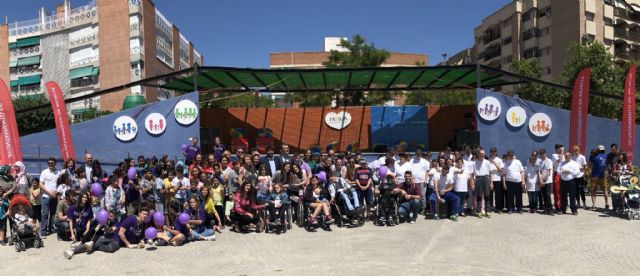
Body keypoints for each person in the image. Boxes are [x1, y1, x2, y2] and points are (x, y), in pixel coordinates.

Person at [39, 157, 62, 236]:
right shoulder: (44, 172)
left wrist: (57, 191)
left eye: (52, 163)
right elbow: (40, 184)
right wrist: (49, 193)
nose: (50, 164)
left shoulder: (58, 172)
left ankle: (51, 228)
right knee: (44, 214)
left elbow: (60, 184)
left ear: (55, 163)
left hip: (54, 196)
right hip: (45, 196)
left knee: (53, 214)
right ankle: (43, 231)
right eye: (49, 163)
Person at [589, 145, 609, 210]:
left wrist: (591, 155)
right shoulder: (606, 157)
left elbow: (589, 165)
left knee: (593, 191)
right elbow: (606, 166)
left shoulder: (595, 157)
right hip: (602, 176)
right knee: (605, 190)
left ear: (598, 150)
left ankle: (594, 205)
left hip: (594, 176)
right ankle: (607, 204)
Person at [473, 149, 492, 217]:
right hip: (478, 178)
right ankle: (478, 211)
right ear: (478, 154)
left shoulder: (487, 162)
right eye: (481, 153)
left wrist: (491, 183)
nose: (483, 155)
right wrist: (472, 183)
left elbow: (490, 173)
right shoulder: (474, 162)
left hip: (486, 178)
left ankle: (487, 211)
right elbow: (472, 174)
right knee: (479, 196)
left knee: (487, 195)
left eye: (483, 153)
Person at [538, 149, 554, 215]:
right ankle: (546, 209)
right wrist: (540, 180)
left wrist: (543, 180)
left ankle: (550, 210)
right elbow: (539, 172)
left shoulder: (549, 161)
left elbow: (548, 172)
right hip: (542, 181)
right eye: (541, 154)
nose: (542, 155)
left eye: (543, 153)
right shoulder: (540, 162)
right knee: (544, 195)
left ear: (545, 154)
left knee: (547, 195)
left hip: (547, 181)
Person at [551, 144, 564, 211]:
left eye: (561, 148)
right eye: (559, 148)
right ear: (556, 149)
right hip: (557, 174)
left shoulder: (565, 156)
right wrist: (561, 152)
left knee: (563, 191)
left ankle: (563, 204)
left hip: (563, 174)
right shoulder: (554, 155)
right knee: (557, 191)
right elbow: (559, 160)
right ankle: (557, 206)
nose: (561, 149)